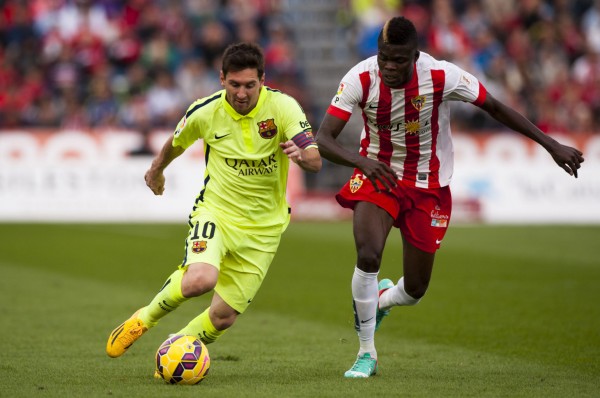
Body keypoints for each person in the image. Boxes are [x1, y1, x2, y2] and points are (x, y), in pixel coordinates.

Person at [315, 16, 584, 378]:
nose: (389, 67)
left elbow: (496, 108)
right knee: (368, 253)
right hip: (378, 175)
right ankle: (366, 353)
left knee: (414, 290)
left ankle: (384, 300)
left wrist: (550, 144)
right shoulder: (360, 78)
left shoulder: (442, 76)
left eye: (398, 59)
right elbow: (324, 140)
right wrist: (363, 162)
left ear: (416, 55)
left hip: (429, 186)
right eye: (384, 58)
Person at [106, 43, 321, 364]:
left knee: (222, 317)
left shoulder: (284, 107)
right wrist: (156, 170)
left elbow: (315, 159)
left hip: (264, 228)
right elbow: (176, 143)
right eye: (234, 84)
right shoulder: (205, 111)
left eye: (250, 84)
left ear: (263, 79)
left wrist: (302, 157)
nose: (242, 93)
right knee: (199, 280)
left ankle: (174, 351)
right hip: (216, 212)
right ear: (222, 79)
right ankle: (144, 319)